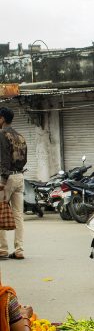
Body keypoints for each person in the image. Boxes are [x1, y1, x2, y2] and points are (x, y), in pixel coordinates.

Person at [0, 107, 27, 260]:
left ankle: (2, 250)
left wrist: (3, 181)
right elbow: (24, 159)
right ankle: (19, 250)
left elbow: (4, 159)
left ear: (2, 118)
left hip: (6, 178)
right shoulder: (20, 136)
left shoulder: (2, 135)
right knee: (18, 215)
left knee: (0, 212)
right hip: (19, 177)